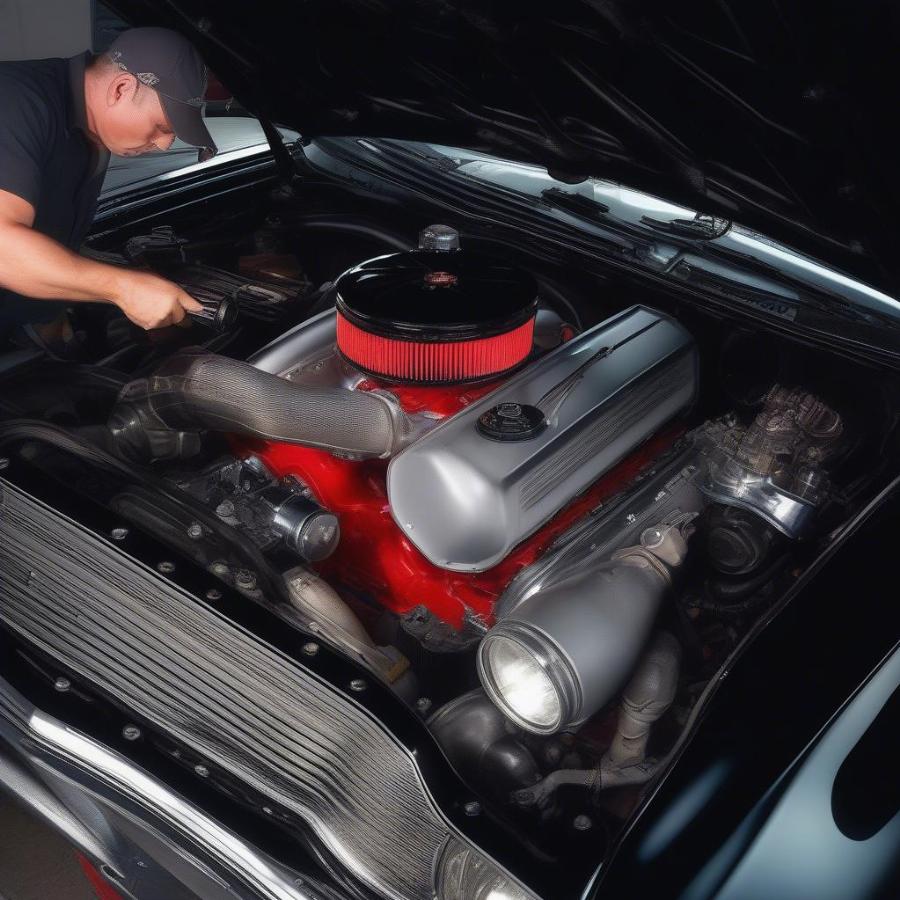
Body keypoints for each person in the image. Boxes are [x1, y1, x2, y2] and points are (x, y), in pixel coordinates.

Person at [0, 26, 219, 352]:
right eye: (160, 127)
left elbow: (49, 236)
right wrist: (123, 288)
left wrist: (52, 312)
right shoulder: (17, 100)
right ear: (120, 88)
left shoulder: (94, 131)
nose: (162, 144)